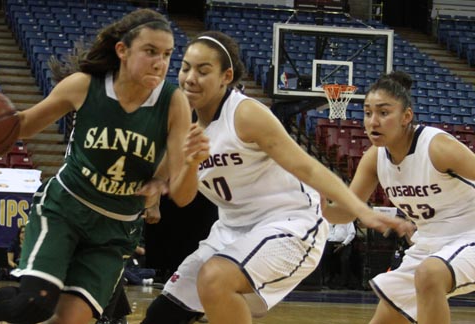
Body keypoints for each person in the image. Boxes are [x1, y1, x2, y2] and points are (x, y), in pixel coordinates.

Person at [0, 8, 210, 324]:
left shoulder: (173, 101)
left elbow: (181, 196)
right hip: (65, 211)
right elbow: (24, 124)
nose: (160, 62)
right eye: (150, 51)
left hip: (116, 228)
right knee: (32, 304)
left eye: (167, 54)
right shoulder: (85, 85)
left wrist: (190, 165)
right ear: (122, 51)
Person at [140, 31, 413, 324]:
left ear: (226, 76)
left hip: (290, 223)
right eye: (185, 68)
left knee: (215, 277)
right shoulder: (181, 121)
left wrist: (361, 212)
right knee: (160, 316)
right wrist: (191, 163)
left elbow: (307, 167)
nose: (191, 77)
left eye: (203, 70)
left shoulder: (244, 114)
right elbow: (182, 197)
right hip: (231, 229)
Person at [322, 71, 475, 324]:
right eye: (368, 112)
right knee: (386, 317)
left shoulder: (436, 147)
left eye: (384, 113)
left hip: (470, 237)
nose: (373, 121)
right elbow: (347, 212)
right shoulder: (374, 157)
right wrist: (319, 206)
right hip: (429, 245)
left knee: (430, 274)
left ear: (406, 116)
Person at [322, 222, 356, 289]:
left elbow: (352, 233)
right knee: (326, 259)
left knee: (344, 260)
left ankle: (344, 283)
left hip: (344, 243)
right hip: (330, 242)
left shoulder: (347, 220)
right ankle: (327, 281)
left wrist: (343, 244)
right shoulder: (328, 220)